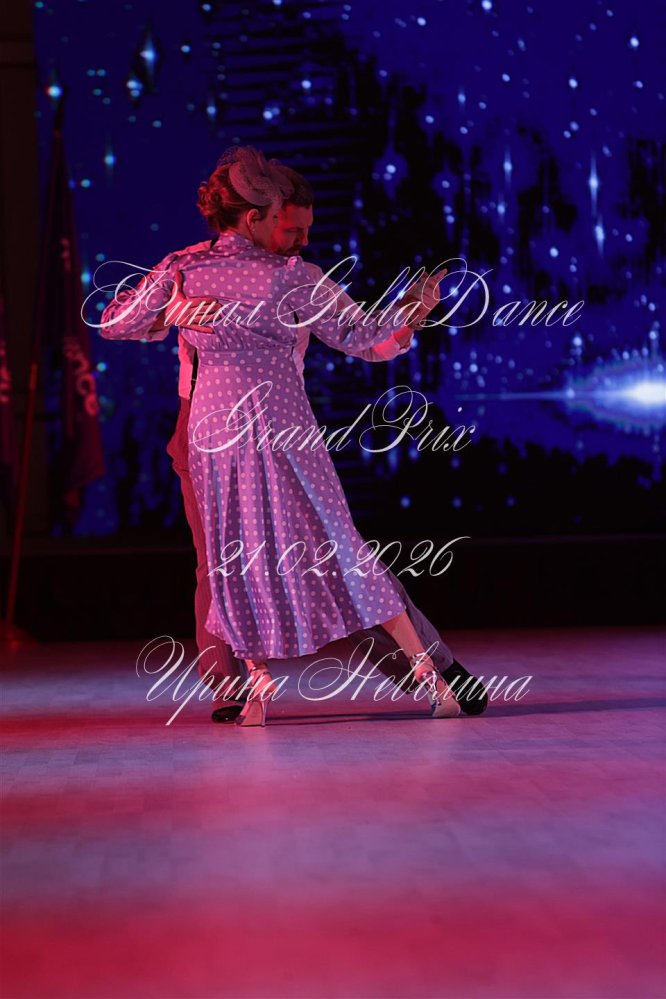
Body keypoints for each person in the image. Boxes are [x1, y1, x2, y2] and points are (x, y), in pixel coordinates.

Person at [100, 147, 488, 724]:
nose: (302, 240)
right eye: (292, 229)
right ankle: (236, 687)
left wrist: (412, 311)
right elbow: (115, 321)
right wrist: (172, 312)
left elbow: (367, 338)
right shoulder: (197, 269)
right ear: (256, 215)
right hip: (208, 428)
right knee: (227, 561)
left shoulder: (282, 274)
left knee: (322, 553)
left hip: (268, 426)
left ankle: (429, 670)